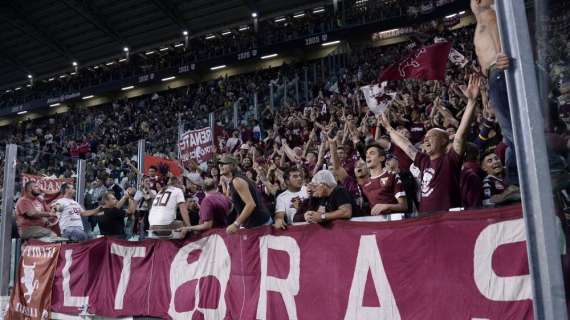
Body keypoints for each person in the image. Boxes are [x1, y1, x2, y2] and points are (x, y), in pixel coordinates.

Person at [381, 75, 481, 213]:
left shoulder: (451, 159)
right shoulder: (423, 161)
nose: (426, 140)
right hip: (427, 222)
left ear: (444, 141)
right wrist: (388, 128)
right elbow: (406, 145)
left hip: (448, 221)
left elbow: (460, 136)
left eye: (431, 136)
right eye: (425, 137)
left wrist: (471, 102)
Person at [471, 0, 517, 185]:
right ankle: (515, 182)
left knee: (513, 132)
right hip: (496, 72)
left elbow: (491, 18)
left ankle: (519, 180)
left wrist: (500, 53)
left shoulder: (485, 13)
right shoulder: (482, 18)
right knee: (510, 134)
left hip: (498, 69)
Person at [219, 155, 272, 234]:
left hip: (259, 224)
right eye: (220, 164)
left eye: (223, 164)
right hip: (257, 222)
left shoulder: (237, 181)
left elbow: (250, 204)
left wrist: (236, 224)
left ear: (233, 166)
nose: (220, 166)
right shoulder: (236, 179)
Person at [362, 143, 407, 218]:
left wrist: (386, 206)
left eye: (372, 153)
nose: (367, 156)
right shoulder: (365, 184)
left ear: (381, 158)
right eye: (366, 154)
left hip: (394, 223)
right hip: (377, 225)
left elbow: (404, 206)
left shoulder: (392, 176)